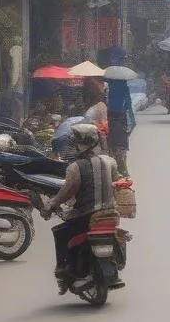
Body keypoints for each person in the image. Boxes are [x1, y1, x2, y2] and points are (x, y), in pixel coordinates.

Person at [40, 122, 119, 292]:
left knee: (60, 232)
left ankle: (63, 270)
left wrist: (51, 205)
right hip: (111, 213)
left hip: (87, 215)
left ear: (78, 143)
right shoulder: (109, 162)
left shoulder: (75, 168)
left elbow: (66, 192)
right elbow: (118, 181)